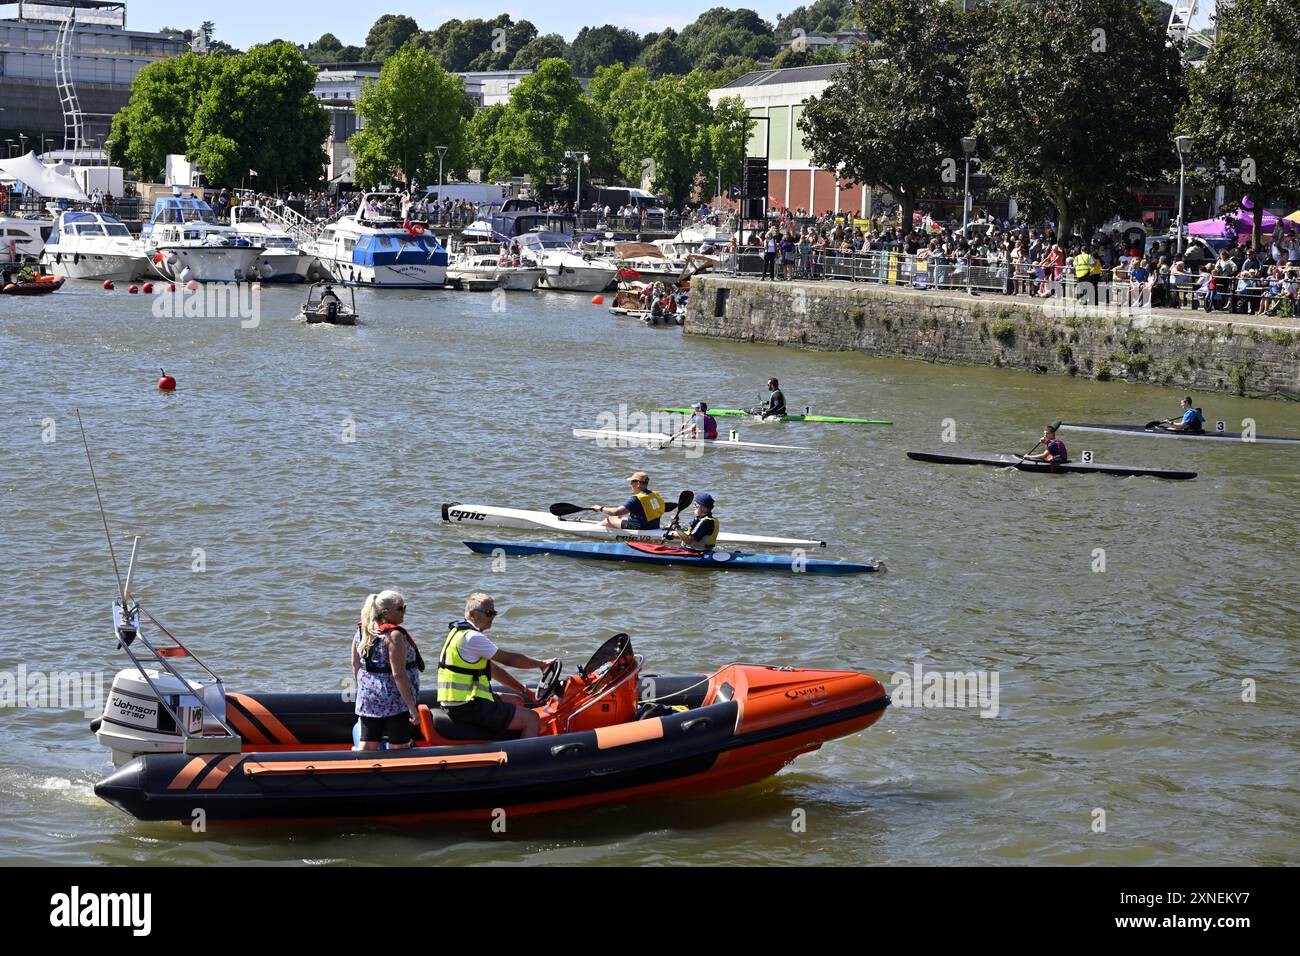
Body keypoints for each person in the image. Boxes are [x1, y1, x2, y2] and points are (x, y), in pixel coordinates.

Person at [437, 593, 555, 739]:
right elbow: (508, 659)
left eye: (494, 613)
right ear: (472, 614)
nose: (492, 617)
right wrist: (540, 664)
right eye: (489, 613)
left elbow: (493, 670)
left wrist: (525, 691)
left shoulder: (458, 632)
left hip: (457, 701)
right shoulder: (473, 638)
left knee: (516, 700)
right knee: (531, 718)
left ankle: (506, 738)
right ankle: (525, 755)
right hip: (467, 706)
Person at [351, 590, 424, 751]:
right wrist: (412, 708)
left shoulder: (362, 630)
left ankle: (361, 770)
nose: (403, 613)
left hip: (369, 697)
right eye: (400, 609)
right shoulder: (394, 636)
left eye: (404, 608)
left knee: (368, 744)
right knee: (399, 746)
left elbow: (355, 664)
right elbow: (399, 674)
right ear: (385, 612)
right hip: (395, 701)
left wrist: (363, 690)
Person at [594, 471, 667, 530]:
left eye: (632, 482)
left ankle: (594, 529)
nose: (630, 484)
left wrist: (601, 508)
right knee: (619, 517)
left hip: (640, 528)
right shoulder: (655, 495)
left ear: (638, 483)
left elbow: (616, 512)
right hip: (653, 526)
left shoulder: (637, 498)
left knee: (609, 519)